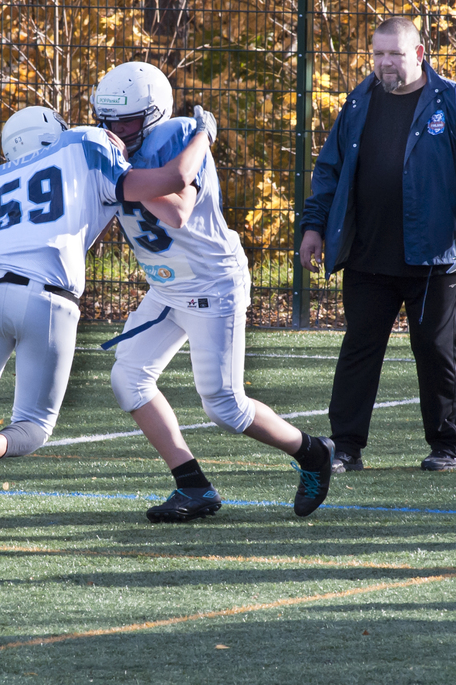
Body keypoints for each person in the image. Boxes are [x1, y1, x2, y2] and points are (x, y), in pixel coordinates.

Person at [0, 104, 213, 535]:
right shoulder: (83, 144)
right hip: (50, 299)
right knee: (35, 425)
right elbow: (170, 182)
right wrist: (203, 133)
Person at [92, 61, 335, 523]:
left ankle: (313, 453)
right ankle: (193, 485)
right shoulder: (105, 146)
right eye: (107, 121)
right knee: (128, 377)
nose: (114, 131)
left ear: (153, 114)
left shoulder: (180, 136)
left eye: (126, 121)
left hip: (210, 282)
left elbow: (177, 211)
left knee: (224, 407)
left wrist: (123, 173)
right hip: (167, 286)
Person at [299, 16, 456, 474]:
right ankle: (345, 448)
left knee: (436, 352)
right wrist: (314, 227)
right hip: (367, 254)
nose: (385, 62)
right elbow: (329, 170)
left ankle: (447, 446)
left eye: (395, 53)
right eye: (378, 53)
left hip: (434, 257)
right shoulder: (358, 101)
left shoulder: (455, 101)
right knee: (359, 351)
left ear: (419, 54)